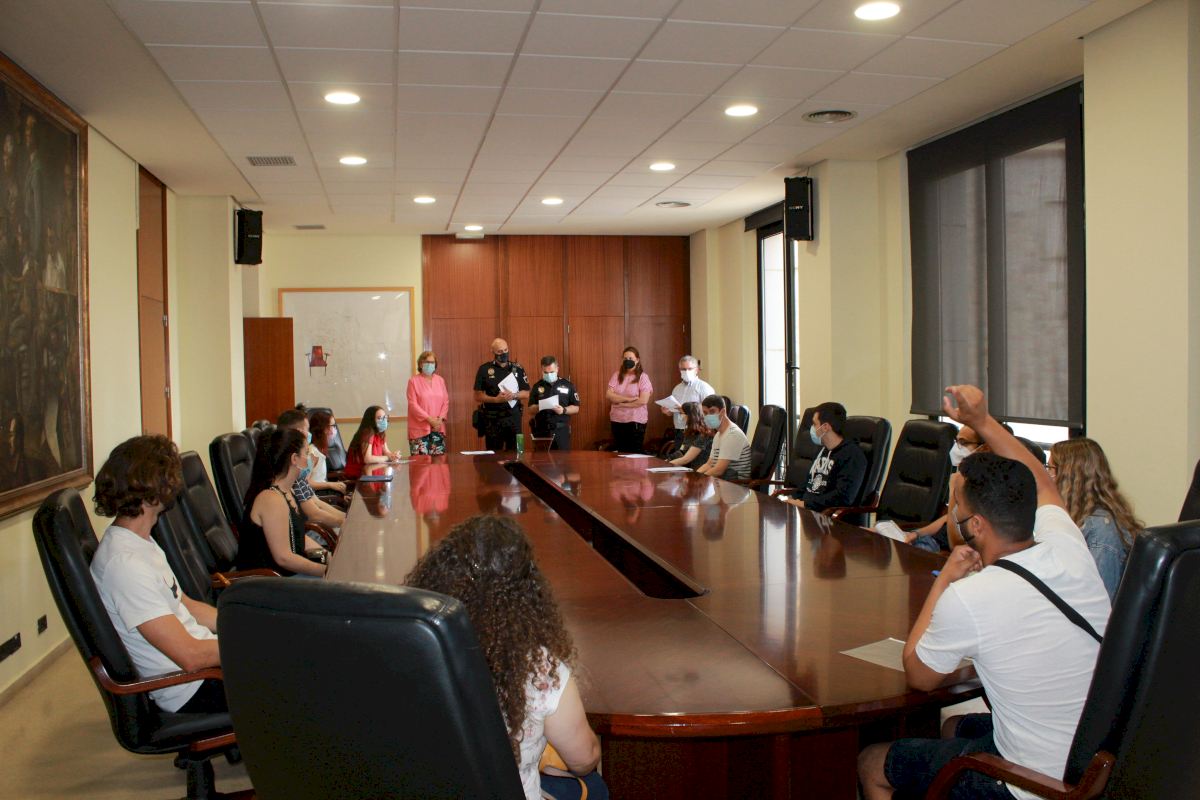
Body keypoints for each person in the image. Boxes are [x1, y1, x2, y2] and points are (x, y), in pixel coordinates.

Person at [857, 384, 1110, 800]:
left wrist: (944, 581)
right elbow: (1043, 482)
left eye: (957, 503)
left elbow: (919, 676)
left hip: (1035, 785)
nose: (953, 510)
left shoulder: (971, 597)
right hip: (1093, 762)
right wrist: (981, 421)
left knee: (872, 762)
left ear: (975, 525)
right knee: (953, 727)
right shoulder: (1069, 546)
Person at [406, 515, 608, 800]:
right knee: (596, 788)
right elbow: (583, 759)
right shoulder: (540, 670)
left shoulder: (413, 648)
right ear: (529, 591)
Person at [89, 435, 224, 713]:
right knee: (304, 673)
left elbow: (184, 604)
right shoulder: (125, 565)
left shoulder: (142, 541)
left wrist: (243, 625)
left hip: (205, 667)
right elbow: (190, 656)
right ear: (153, 489)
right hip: (191, 687)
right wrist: (252, 644)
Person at [1049, 437, 1143, 602]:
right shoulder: (1078, 519)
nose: (1047, 475)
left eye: (1050, 468)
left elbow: (1100, 601)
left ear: (1069, 476)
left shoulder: (1101, 531)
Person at [236, 427, 327, 578]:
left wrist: (327, 558)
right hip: (265, 583)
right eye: (306, 453)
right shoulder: (271, 499)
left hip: (284, 577)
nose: (310, 458)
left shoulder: (287, 491)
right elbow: (284, 558)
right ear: (294, 459)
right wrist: (326, 571)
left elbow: (299, 539)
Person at [781, 402, 866, 511]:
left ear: (825, 427)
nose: (812, 428)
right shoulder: (822, 450)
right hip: (806, 510)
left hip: (825, 515)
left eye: (814, 424)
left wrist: (805, 504)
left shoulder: (852, 455)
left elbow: (842, 497)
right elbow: (808, 484)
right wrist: (791, 498)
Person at [276, 407, 345, 533]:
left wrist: (346, 518)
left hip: (316, 529)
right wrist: (346, 522)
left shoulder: (298, 476)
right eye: (306, 454)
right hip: (314, 530)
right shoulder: (289, 478)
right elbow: (314, 514)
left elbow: (316, 502)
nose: (309, 434)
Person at [474, 338, 530, 452]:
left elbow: (526, 393)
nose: (504, 353)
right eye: (499, 351)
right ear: (493, 351)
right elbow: (477, 396)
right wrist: (496, 400)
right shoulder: (484, 369)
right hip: (493, 419)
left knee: (516, 454)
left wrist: (514, 395)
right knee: (493, 456)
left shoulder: (518, 368)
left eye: (505, 350)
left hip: (513, 418)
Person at [606, 346, 652, 453]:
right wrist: (629, 399)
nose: (628, 361)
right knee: (620, 453)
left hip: (635, 421)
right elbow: (609, 395)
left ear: (637, 360)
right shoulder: (617, 375)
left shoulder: (643, 377)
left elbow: (643, 400)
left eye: (631, 358)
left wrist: (622, 404)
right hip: (617, 419)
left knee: (633, 454)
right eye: (625, 358)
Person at [528, 355, 579, 450]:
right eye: (545, 372)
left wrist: (563, 410)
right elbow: (530, 409)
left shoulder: (568, 385)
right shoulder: (537, 386)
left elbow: (576, 408)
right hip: (542, 431)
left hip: (561, 430)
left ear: (557, 369)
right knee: (541, 458)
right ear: (542, 370)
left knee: (562, 458)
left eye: (551, 372)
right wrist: (540, 406)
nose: (549, 375)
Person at [661, 355, 715, 446]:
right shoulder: (677, 389)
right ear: (679, 370)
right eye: (683, 369)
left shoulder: (704, 387)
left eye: (689, 369)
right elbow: (673, 410)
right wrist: (668, 411)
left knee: (691, 455)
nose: (686, 371)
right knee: (679, 453)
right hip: (679, 430)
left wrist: (685, 411)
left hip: (696, 431)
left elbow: (710, 411)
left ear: (696, 370)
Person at [695, 395, 751, 480]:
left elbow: (718, 470)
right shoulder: (718, 435)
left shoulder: (733, 434)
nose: (708, 416)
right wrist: (694, 476)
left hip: (735, 484)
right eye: (705, 413)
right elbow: (709, 464)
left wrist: (699, 480)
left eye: (712, 411)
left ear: (723, 412)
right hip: (722, 481)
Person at [406, 350, 449, 456]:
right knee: (421, 464)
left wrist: (439, 420)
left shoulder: (440, 380)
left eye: (432, 362)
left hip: (438, 428)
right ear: (421, 364)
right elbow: (412, 404)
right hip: (419, 430)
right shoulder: (413, 381)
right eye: (427, 362)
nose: (430, 365)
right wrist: (429, 419)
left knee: (439, 463)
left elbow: (445, 401)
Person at [344, 405, 399, 480]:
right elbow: (368, 459)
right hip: (359, 475)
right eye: (379, 418)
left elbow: (386, 451)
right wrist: (388, 458)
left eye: (384, 417)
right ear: (371, 420)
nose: (383, 420)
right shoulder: (367, 432)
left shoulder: (381, 433)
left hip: (371, 472)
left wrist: (393, 456)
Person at [306, 408, 347, 494]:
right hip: (317, 495)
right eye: (332, 426)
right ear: (323, 428)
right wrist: (330, 485)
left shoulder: (320, 450)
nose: (334, 429)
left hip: (324, 492)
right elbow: (306, 483)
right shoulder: (312, 452)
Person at [667, 402, 713, 469]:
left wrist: (666, 465)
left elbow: (686, 459)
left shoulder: (704, 433)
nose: (681, 417)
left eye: (682, 413)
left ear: (690, 415)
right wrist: (667, 460)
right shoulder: (690, 431)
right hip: (692, 469)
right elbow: (682, 451)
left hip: (702, 471)